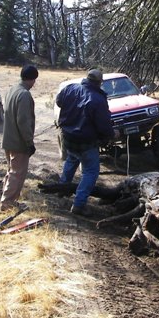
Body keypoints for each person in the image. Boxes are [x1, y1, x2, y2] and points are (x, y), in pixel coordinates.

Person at [56, 68, 118, 216]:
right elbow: (103, 125)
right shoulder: (98, 99)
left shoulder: (70, 88)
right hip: (86, 142)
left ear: (87, 78)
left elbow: (59, 102)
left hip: (69, 137)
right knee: (91, 172)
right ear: (99, 82)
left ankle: (61, 191)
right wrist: (113, 133)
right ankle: (78, 204)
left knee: (71, 160)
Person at [0, 64, 38, 211]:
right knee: (17, 173)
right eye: (34, 80)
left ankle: (8, 200)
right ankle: (7, 203)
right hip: (19, 142)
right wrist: (29, 142)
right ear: (32, 79)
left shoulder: (11, 90)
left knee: (11, 171)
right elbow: (23, 121)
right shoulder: (24, 94)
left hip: (8, 140)